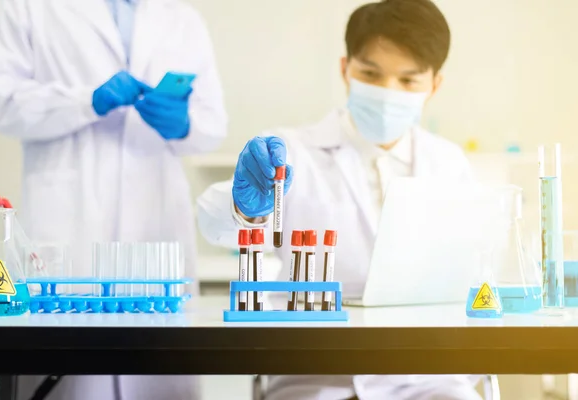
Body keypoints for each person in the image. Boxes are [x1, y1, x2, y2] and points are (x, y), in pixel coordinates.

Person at [198, 0, 480, 399]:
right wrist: (245, 206)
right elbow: (213, 217)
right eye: (371, 73)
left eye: (408, 80)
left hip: (426, 381)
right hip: (313, 377)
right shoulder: (293, 152)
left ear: (434, 85)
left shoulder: (449, 165)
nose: (387, 92)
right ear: (345, 69)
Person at [0, 0, 226, 399]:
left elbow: (213, 123)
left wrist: (184, 124)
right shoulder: (26, 7)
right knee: (66, 378)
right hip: (69, 224)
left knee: (158, 374)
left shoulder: (182, 17)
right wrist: (84, 101)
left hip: (156, 223)